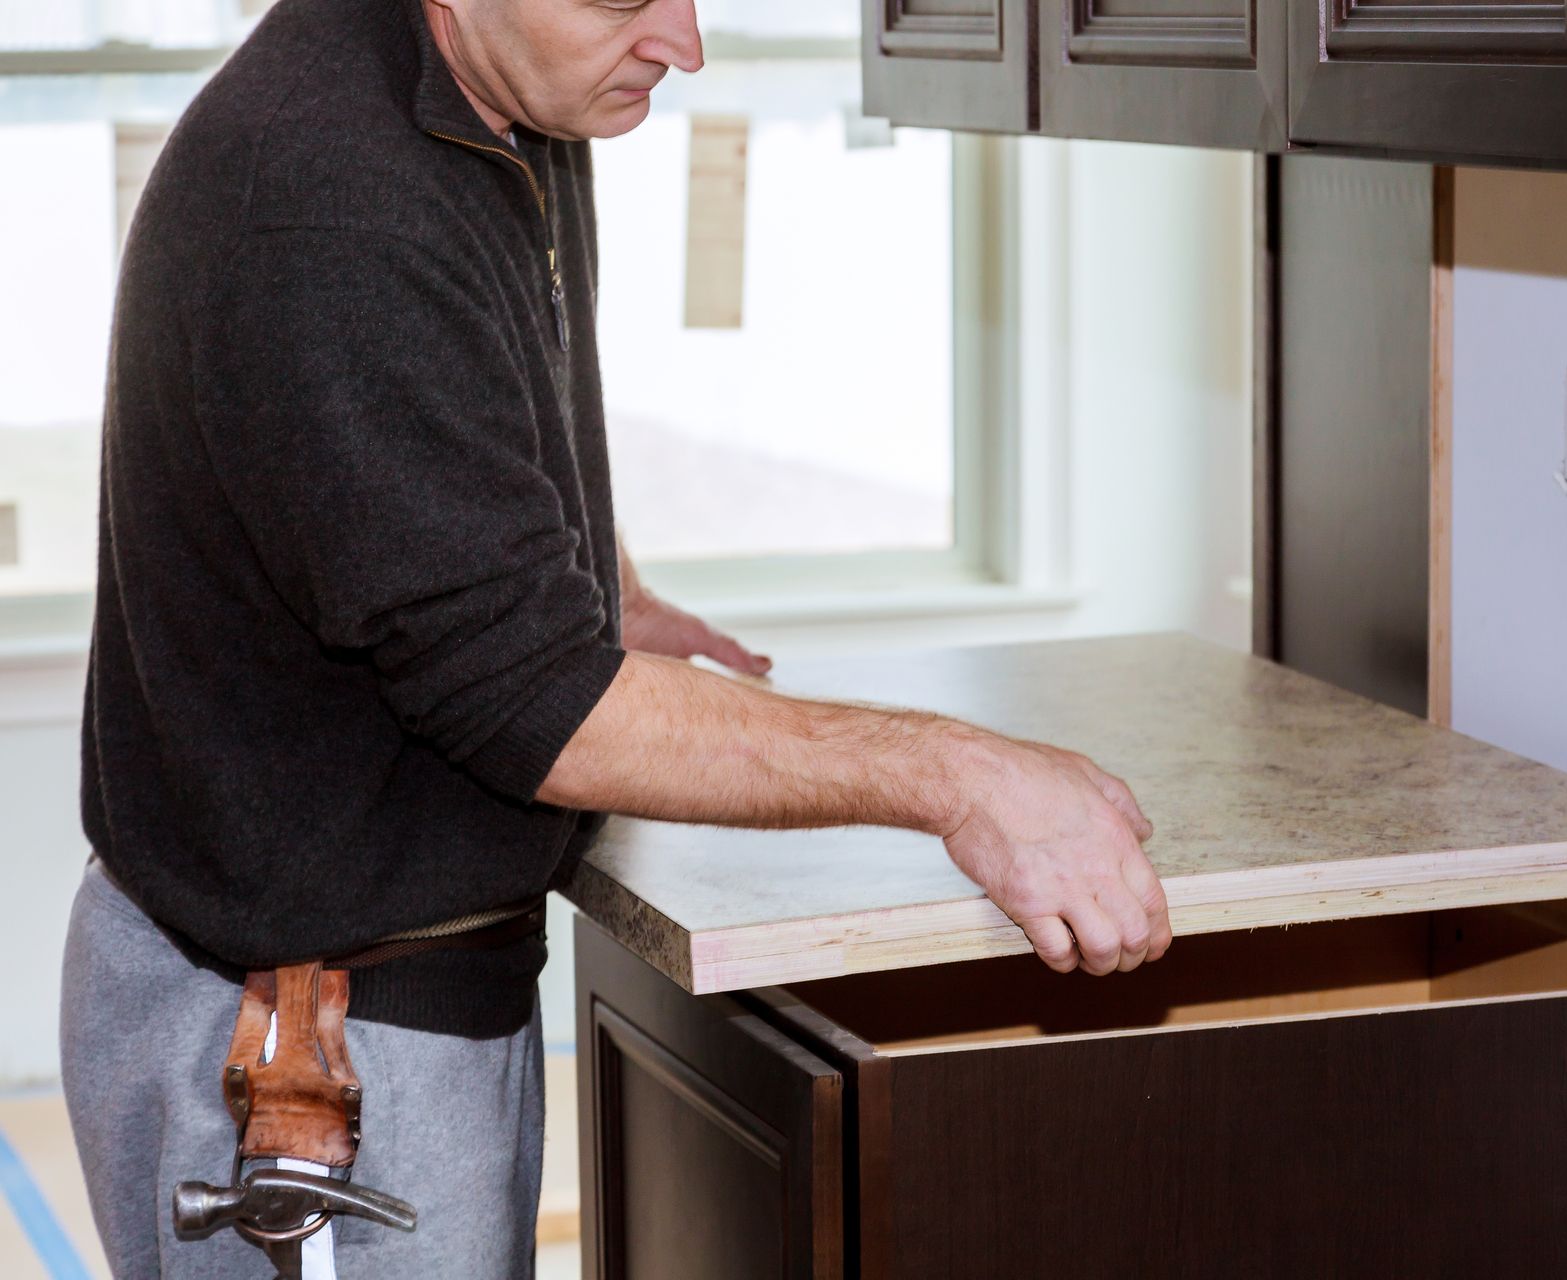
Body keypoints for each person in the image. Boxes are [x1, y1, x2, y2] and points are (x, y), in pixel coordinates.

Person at [59, 0, 1172, 1274]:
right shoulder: (328, 203)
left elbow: (456, 411)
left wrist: (597, 576)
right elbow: (537, 702)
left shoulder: (502, 88)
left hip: (369, 984)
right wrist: (966, 775)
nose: (683, 44)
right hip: (301, 1050)